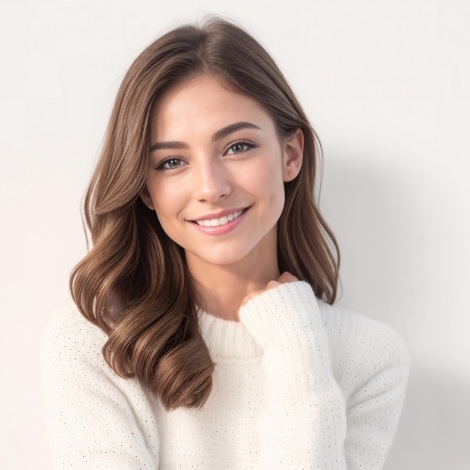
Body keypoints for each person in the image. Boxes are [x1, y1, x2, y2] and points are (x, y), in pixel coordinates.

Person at [41, 17, 409, 469]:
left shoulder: (367, 357)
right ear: (144, 190)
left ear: (290, 155)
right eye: (172, 161)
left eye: (237, 147)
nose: (210, 187)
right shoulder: (96, 344)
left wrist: (297, 348)